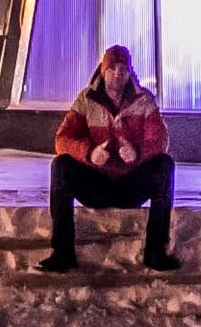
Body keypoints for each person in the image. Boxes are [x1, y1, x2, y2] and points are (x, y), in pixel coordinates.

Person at [41, 43, 180, 273]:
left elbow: (159, 140)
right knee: (61, 166)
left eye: (123, 69)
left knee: (164, 165)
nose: (118, 73)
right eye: (112, 68)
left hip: (130, 185)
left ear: (129, 72)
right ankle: (62, 252)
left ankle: (156, 252)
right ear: (103, 71)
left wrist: (137, 153)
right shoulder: (86, 100)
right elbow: (62, 140)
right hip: (96, 183)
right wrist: (89, 153)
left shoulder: (144, 100)